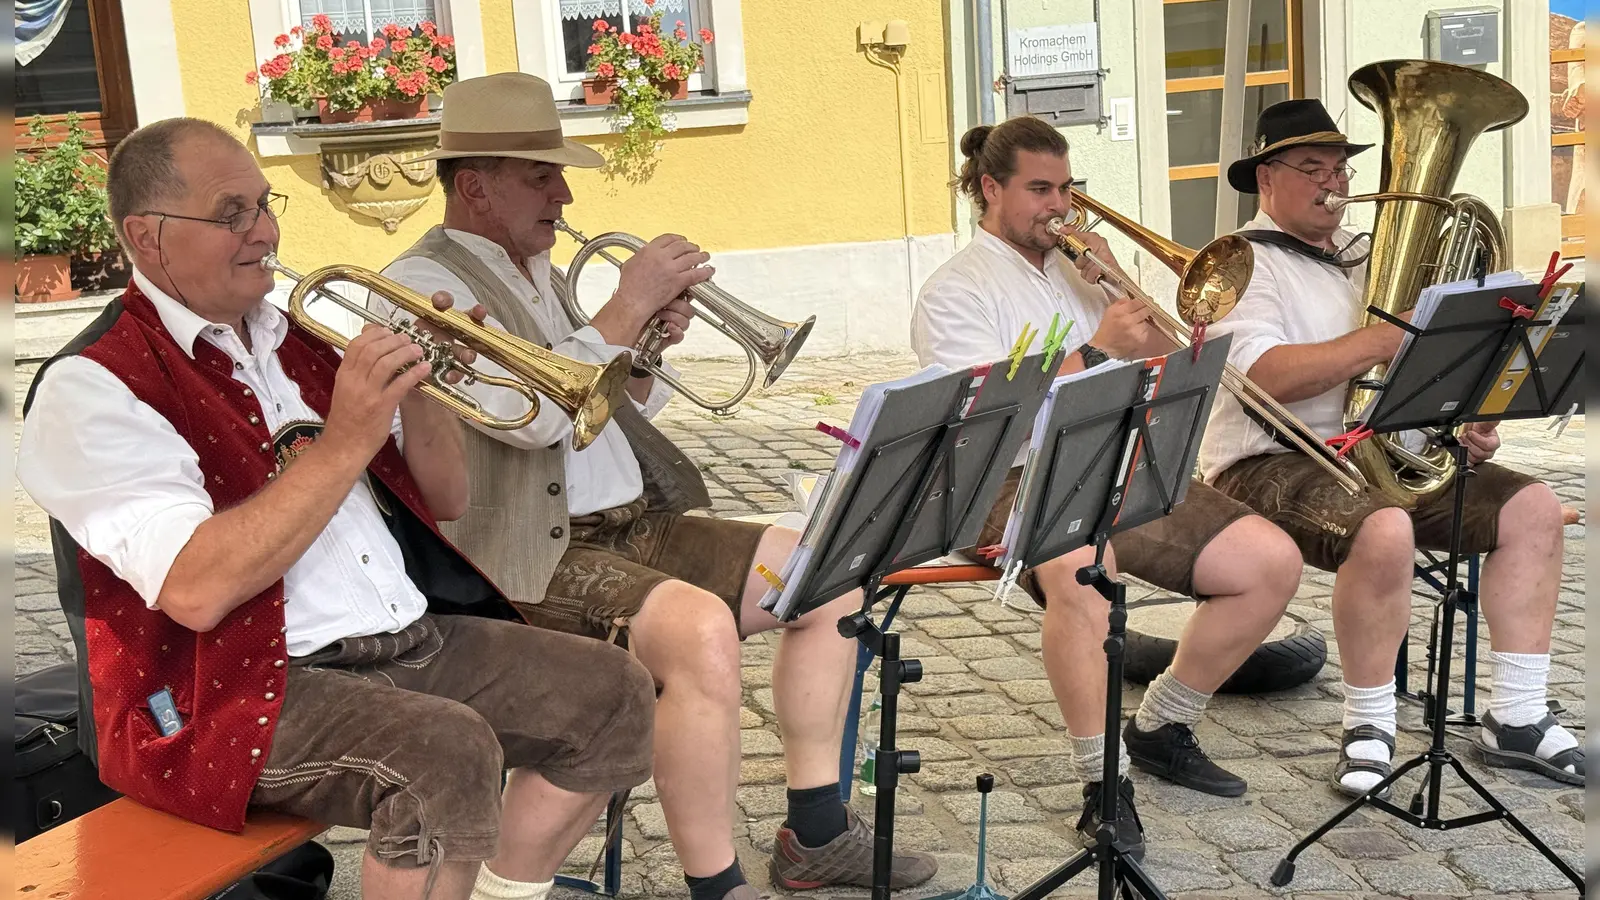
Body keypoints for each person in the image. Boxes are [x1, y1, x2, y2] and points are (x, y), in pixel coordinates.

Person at [17, 117, 659, 900]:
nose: (265, 230)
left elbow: (449, 498)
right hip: (228, 691)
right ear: (147, 237)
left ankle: (502, 893)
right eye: (232, 214)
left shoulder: (296, 340)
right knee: (443, 752)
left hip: (397, 643)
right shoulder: (94, 384)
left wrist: (429, 387)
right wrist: (347, 436)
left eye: (265, 203)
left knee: (613, 692)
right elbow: (195, 587)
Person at [375, 73, 938, 900]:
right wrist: (621, 308)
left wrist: (644, 349)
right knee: (700, 631)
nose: (564, 194)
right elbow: (524, 420)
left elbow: (611, 411)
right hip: (524, 554)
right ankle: (718, 886)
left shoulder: (538, 267)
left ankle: (815, 832)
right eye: (542, 176)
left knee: (823, 568)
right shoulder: (423, 286)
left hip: (632, 519)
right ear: (475, 185)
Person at [911, 115, 1304, 860]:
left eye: (1066, 188)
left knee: (1270, 562)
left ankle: (1159, 725)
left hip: (1116, 457)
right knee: (1088, 577)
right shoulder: (953, 289)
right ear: (990, 189)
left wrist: (1120, 280)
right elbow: (981, 407)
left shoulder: (1074, 267)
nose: (1058, 206)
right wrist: (1095, 349)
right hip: (1008, 472)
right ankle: (1103, 784)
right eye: (1038, 189)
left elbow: (1163, 358)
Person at [1199, 98, 1583, 797]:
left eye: (1341, 168)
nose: (1334, 182)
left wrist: (1460, 418)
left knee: (1533, 508)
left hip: (1381, 456)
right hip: (1269, 462)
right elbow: (1266, 378)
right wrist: (1394, 332)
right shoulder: (1241, 265)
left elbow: (1420, 371)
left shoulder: (1371, 259)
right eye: (1311, 167)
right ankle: (1369, 724)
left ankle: (1520, 716)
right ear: (1266, 178)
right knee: (1385, 528)